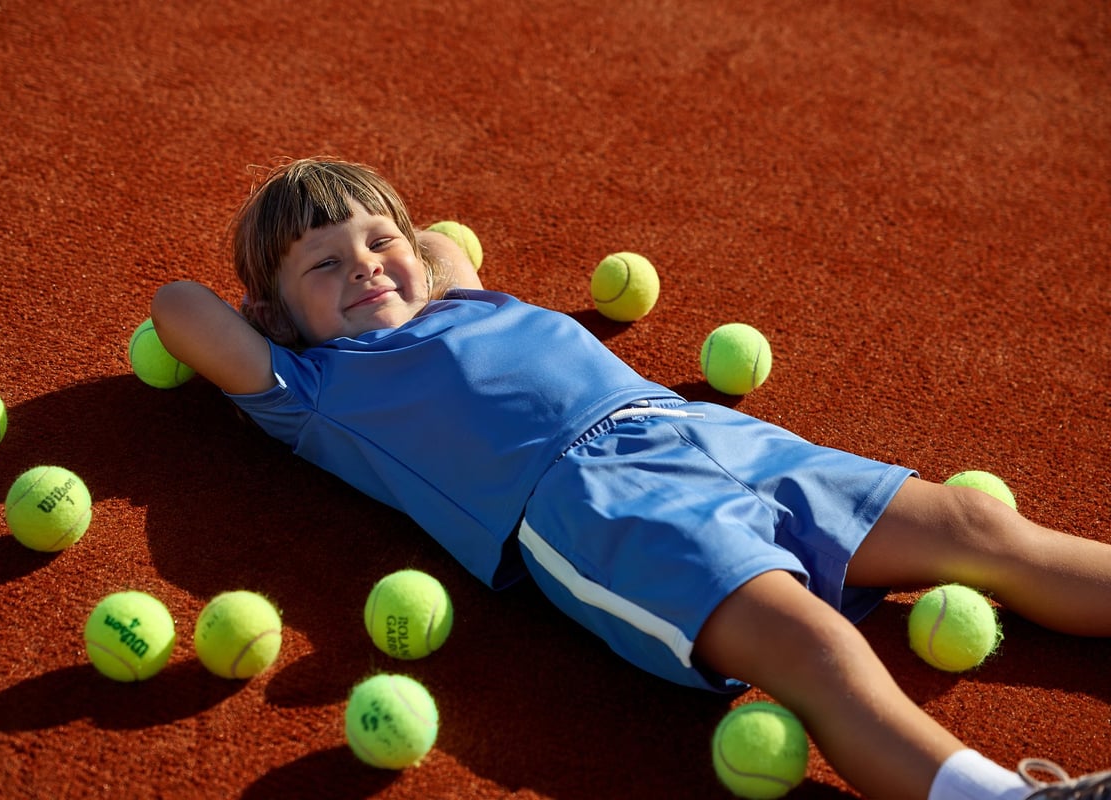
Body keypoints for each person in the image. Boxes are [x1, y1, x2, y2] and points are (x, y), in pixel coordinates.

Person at [151, 157, 1111, 800]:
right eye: (323, 267)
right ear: (277, 316)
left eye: (375, 242)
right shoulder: (315, 387)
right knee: (809, 645)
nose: (364, 268)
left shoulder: (461, 290)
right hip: (595, 509)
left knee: (975, 528)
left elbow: (439, 245)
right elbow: (179, 305)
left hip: (708, 433)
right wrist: (279, 318)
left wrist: (399, 255)